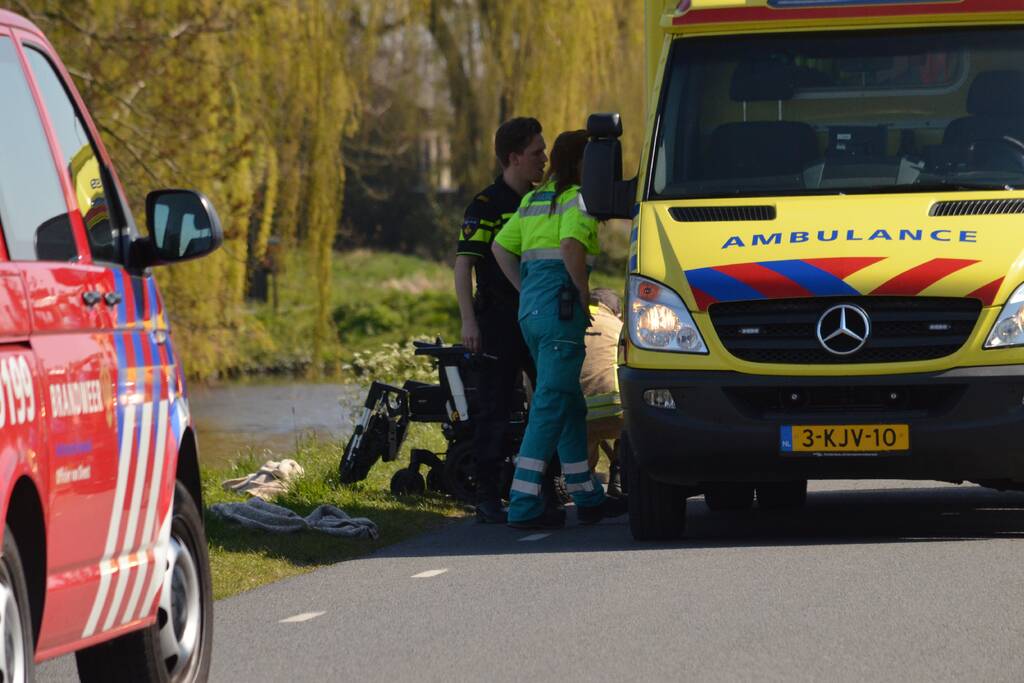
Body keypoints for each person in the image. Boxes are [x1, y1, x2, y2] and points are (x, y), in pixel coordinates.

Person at [492, 130, 628, 529]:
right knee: (551, 404)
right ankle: (523, 502)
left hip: (533, 311)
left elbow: (500, 248)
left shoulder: (534, 199)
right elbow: (571, 246)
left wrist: (528, 290)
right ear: (583, 164)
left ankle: (587, 498)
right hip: (561, 312)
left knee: (570, 405)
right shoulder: (578, 199)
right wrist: (581, 293)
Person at [454, 117, 547, 523]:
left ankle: (543, 487)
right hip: (497, 319)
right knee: (493, 407)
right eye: (536, 153)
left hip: (538, 318)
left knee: (548, 401)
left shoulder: (542, 201)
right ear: (513, 158)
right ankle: (487, 495)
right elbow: (463, 267)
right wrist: (469, 322)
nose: (543, 160)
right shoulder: (487, 206)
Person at [582, 289, 623, 497]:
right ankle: (619, 474)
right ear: (616, 312)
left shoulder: (572, 322)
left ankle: (586, 489)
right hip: (616, 408)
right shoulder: (620, 327)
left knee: (587, 440)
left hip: (579, 412)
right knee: (631, 430)